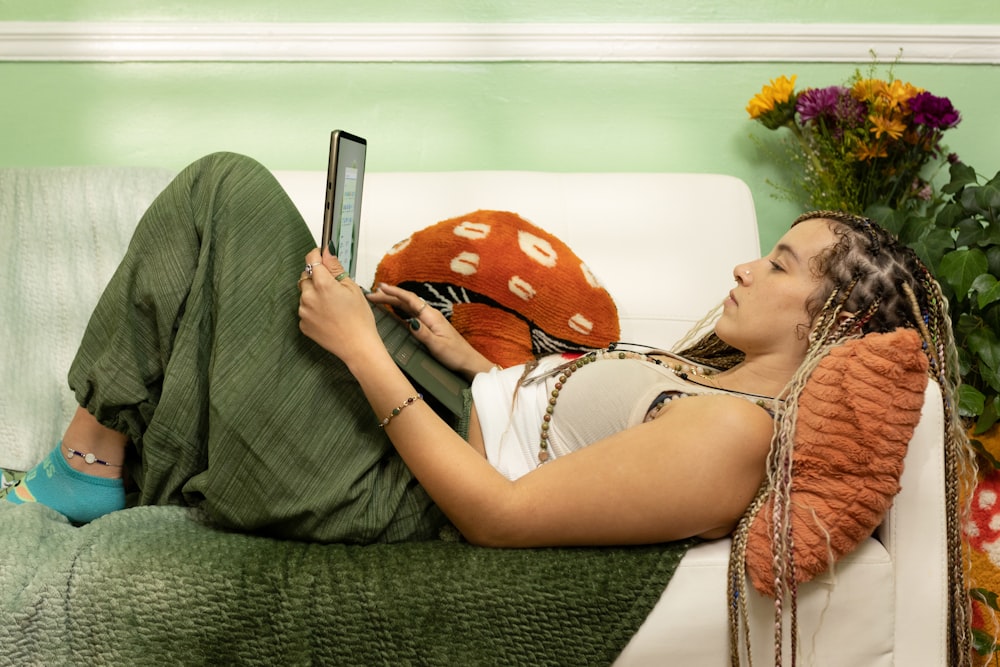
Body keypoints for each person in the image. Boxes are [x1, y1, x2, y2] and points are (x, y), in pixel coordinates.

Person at [2, 152, 973, 662]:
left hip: (401, 482)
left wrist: (355, 351)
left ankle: (88, 465)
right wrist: (458, 355)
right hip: (442, 398)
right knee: (238, 220)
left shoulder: (730, 435)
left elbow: (499, 514)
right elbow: (560, 425)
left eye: (777, 264)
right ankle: (97, 459)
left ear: (831, 313)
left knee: (228, 191)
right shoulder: (712, 384)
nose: (742, 265)